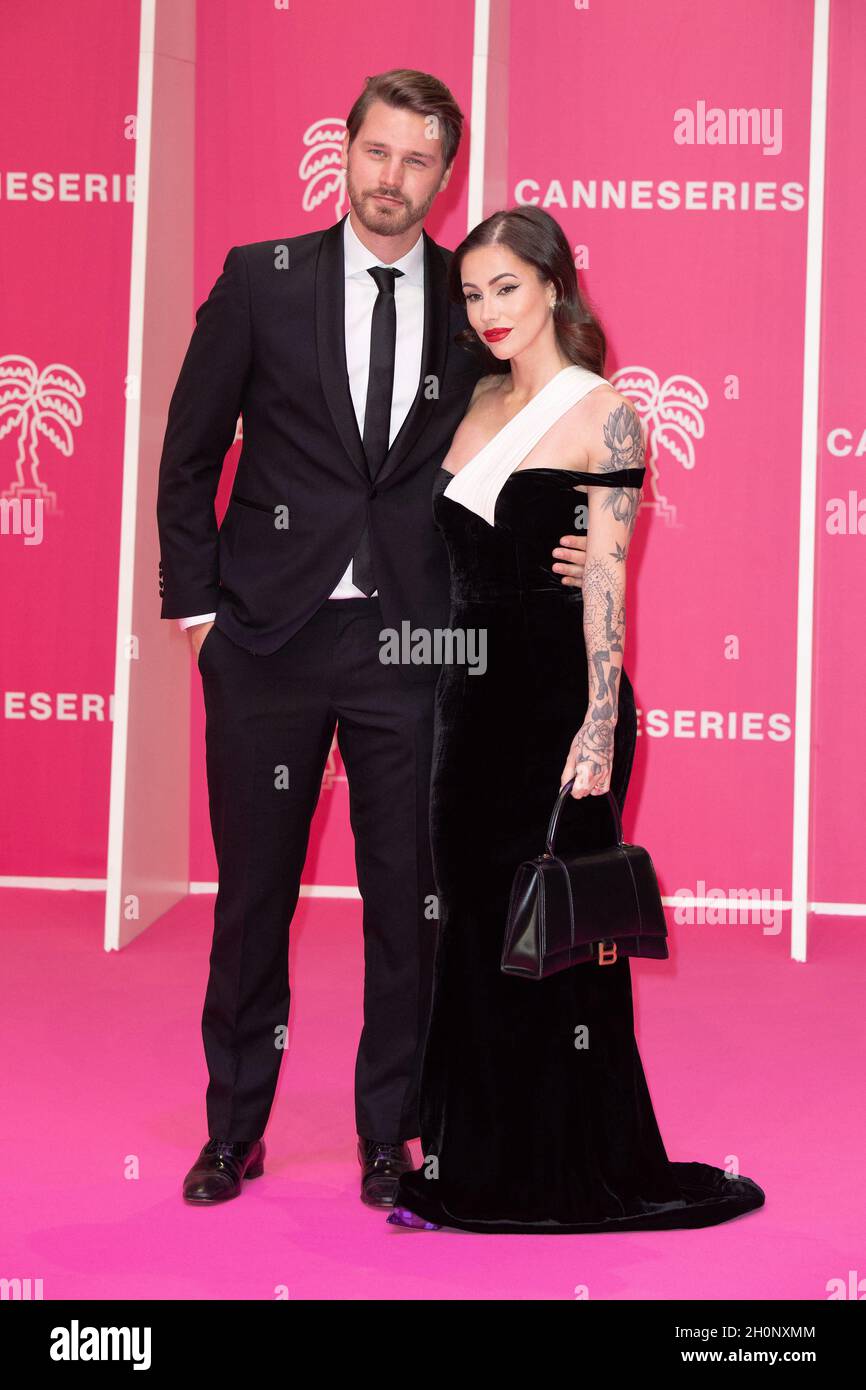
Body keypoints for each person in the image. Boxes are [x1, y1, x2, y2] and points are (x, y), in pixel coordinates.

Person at [155, 70, 590, 1207]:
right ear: (341, 152)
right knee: (254, 895)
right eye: (377, 153)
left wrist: (592, 533)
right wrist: (199, 616)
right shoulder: (261, 281)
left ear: (445, 179)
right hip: (265, 639)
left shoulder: (472, 303)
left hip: (417, 647)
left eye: (417, 162)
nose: (392, 180)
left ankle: (391, 1133)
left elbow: (551, 415)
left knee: (410, 903)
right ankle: (232, 1128)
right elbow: (188, 454)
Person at [389, 205, 766, 1233]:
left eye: (506, 285)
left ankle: (557, 1166)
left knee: (554, 937)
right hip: (467, 702)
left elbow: (604, 578)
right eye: (471, 293)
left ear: (554, 285)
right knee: (472, 926)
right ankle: (478, 1160)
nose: (489, 309)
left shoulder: (602, 412)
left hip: (560, 699)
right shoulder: (467, 403)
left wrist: (597, 722)